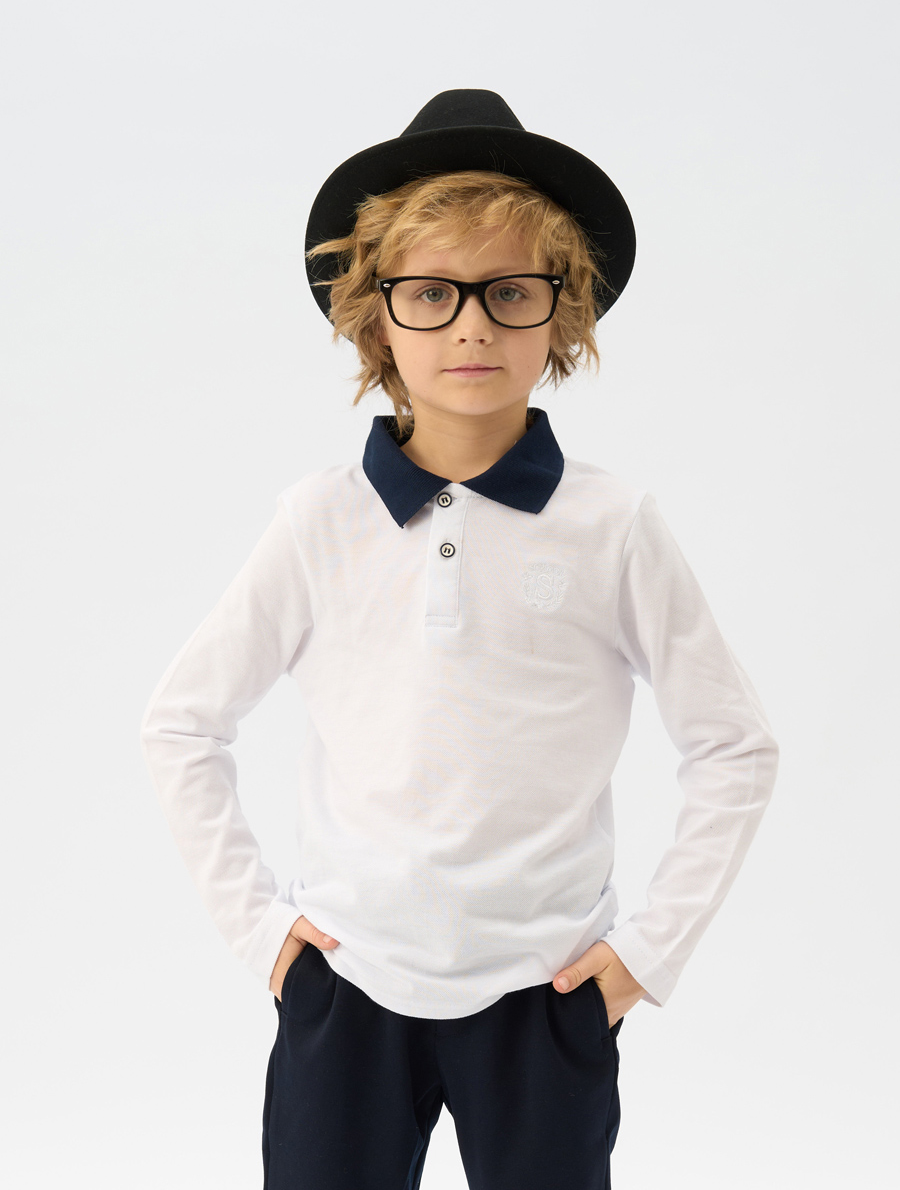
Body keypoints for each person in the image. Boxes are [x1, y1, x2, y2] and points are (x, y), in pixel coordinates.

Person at [140, 89, 780, 1190]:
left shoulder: (613, 526)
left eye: (509, 292)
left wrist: (647, 954)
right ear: (376, 316)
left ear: (561, 314)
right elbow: (181, 725)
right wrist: (264, 934)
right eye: (431, 293)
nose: (472, 327)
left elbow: (735, 747)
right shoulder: (319, 520)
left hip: (548, 990)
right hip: (347, 985)